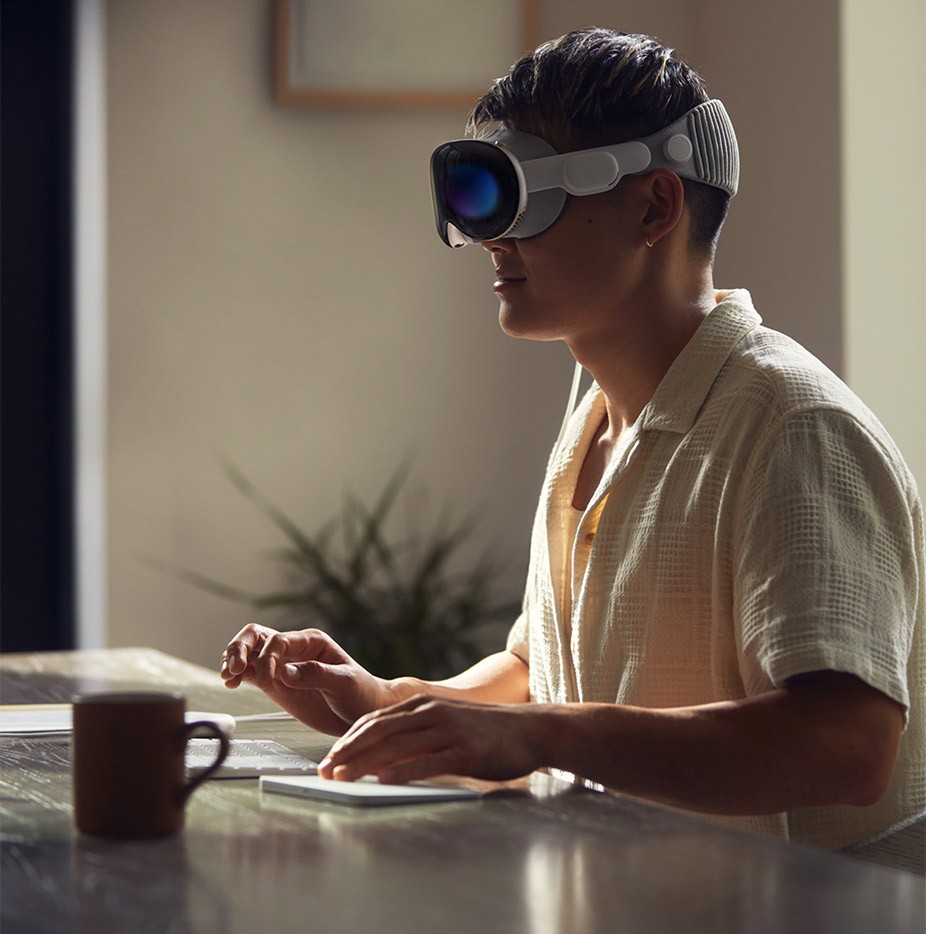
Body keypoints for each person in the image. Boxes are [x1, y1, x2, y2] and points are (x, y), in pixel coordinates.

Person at [220, 28, 924, 851]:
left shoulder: (794, 431)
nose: (491, 236)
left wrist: (544, 736)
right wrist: (390, 704)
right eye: (478, 199)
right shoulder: (594, 414)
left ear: (655, 206)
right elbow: (539, 675)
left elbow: (843, 749)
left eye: (523, 195)